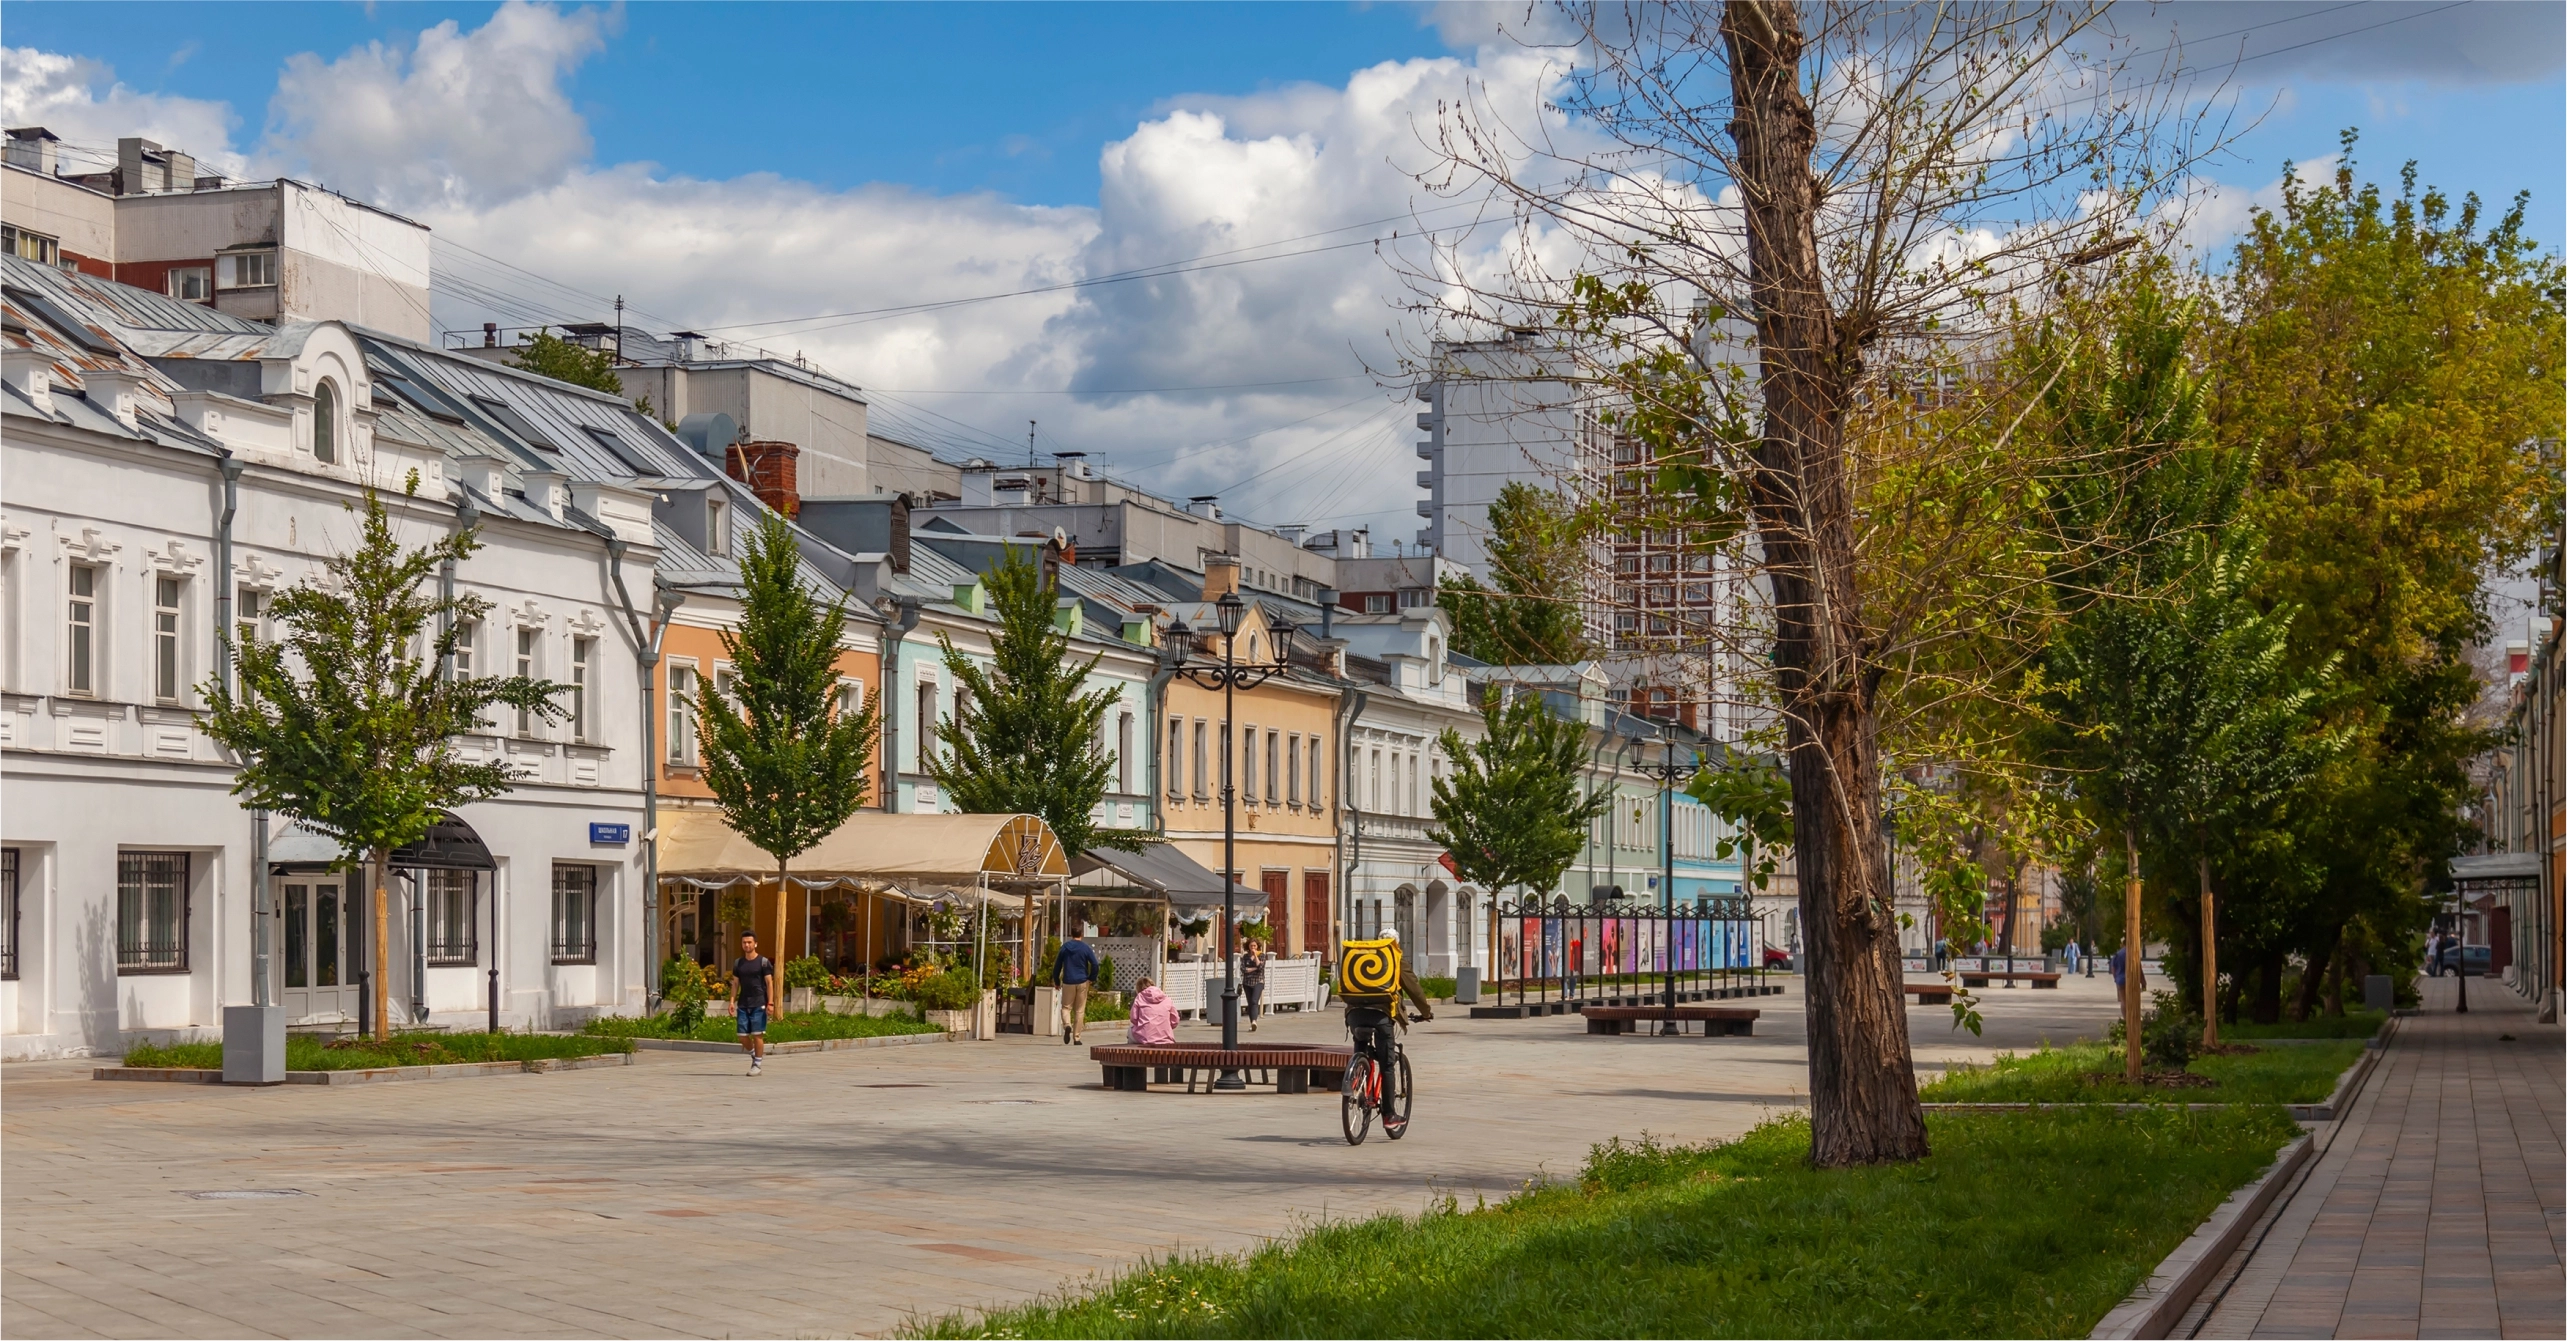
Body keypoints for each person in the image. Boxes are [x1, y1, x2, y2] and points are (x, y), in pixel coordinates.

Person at [1342, 929, 1434, 1109]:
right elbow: (1414, 990)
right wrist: (1426, 1012)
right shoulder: (1396, 960)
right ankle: (1390, 1114)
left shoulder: (1360, 957)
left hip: (1354, 1015)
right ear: (1396, 944)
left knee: (1360, 1047)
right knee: (1387, 1064)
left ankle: (1356, 1076)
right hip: (1381, 1017)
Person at [732, 932, 776, 1076]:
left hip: (759, 1003)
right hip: (743, 1003)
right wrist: (731, 1001)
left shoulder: (763, 962)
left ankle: (757, 1064)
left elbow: (769, 983)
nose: (747, 945)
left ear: (755, 944)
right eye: (744, 942)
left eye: (750, 942)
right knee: (742, 1035)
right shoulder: (738, 963)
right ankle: (754, 1054)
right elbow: (735, 984)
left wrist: (770, 1003)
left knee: (758, 1035)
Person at [1055, 927, 1100, 1046]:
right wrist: (1092, 977)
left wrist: (1056, 980)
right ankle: (1077, 1038)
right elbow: (1095, 964)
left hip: (1068, 981)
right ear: (1082, 934)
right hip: (1082, 981)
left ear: (1071, 934)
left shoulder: (1065, 947)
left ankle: (1067, 1025)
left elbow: (1058, 965)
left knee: (1066, 1007)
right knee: (1079, 1010)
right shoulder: (1085, 948)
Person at [1127, 977, 1178, 1046]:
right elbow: (1175, 1021)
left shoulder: (1139, 997)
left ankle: (1134, 1054)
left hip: (1145, 1037)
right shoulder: (1166, 998)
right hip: (1166, 1038)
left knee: (1131, 1028)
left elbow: (1133, 1019)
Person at [1240, 938, 1268, 1032]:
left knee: (1254, 1001)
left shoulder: (1262, 955)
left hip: (1258, 981)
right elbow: (1244, 969)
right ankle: (1252, 1023)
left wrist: (1255, 955)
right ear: (1248, 946)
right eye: (1251, 946)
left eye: (1254, 946)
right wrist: (1254, 968)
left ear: (1257, 946)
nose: (1253, 948)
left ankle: (1254, 1021)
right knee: (1250, 1003)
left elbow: (1260, 967)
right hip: (1247, 982)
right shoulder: (1245, 957)